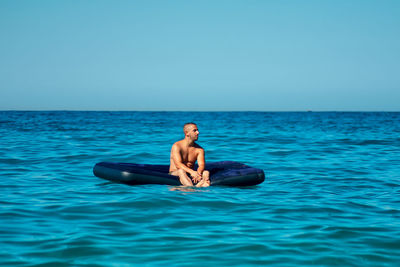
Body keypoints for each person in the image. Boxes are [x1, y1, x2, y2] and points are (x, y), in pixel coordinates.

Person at [169, 122, 210, 187]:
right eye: (195, 130)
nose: (198, 132)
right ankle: (191, 188)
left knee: (206, 172)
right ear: (186, 133)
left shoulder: (199, 149)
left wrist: (198, 173)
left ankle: (200, 185)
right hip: (175, 172)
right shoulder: (177, 146)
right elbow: (178, 164)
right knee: (181, 171)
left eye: (197, 130)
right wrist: (192, 172)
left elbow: (201, 165)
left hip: (190, 173)